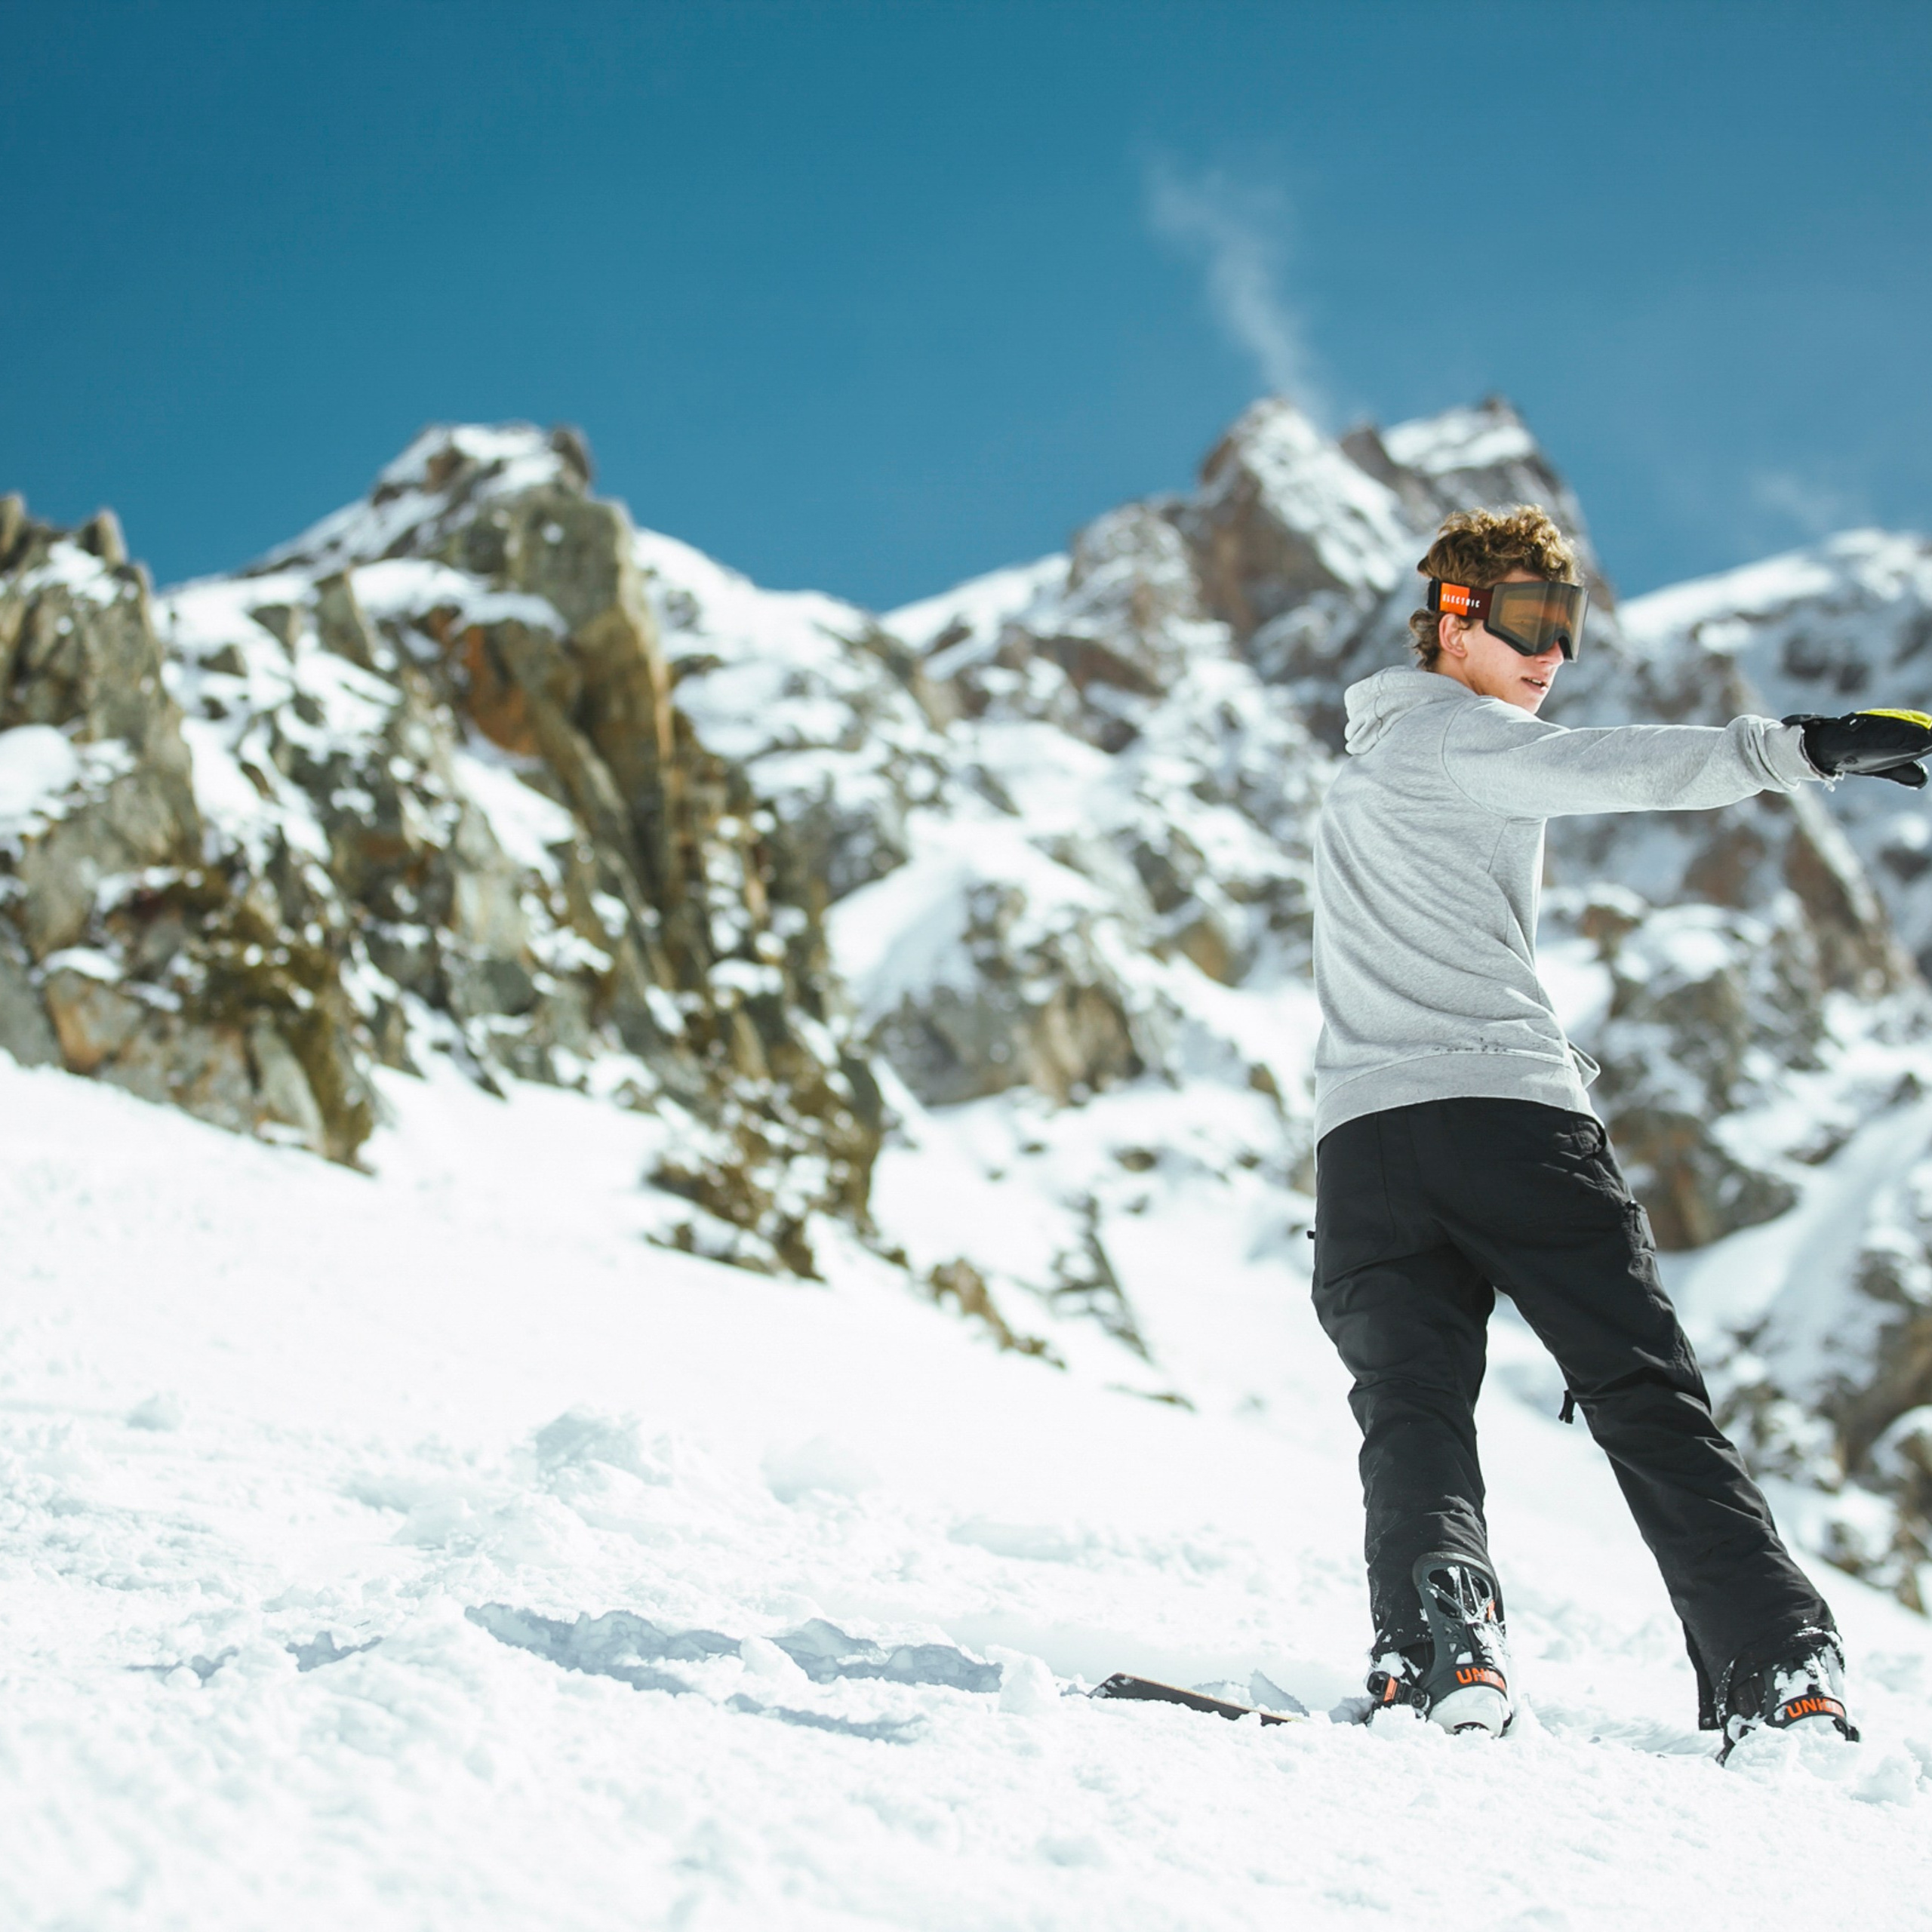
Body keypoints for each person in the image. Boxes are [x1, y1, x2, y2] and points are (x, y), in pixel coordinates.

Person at [1309, 503, 1932, 1755]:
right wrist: (1803, 747)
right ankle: (1778, 1664)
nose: (1552, 653)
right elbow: (1622, 766)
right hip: (1509, 1122)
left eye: (1568, 624)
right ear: (1451, 623)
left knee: (1412, 1406)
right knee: (1643, 1392)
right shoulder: (1466, 736)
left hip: (1366, 1149)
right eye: (1526, 620)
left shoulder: (1364, 768)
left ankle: (1437, 1643)